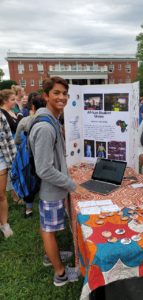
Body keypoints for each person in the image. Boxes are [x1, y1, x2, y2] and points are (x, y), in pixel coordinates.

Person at [29, 76, 85, 286]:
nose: (62, 97)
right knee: (48, 230)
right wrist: (72, 185)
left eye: (64, 93)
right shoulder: (45, 127)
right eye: (56, 93)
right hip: (50, 189)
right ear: (46, 96)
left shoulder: (52, 120)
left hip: (52, 187)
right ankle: (60, 274)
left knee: (48, 227)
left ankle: (50, 256)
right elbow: (44, 169)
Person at [15, 94, 46, 218]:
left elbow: (17, 139)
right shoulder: (49, 120)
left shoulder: (25, 120)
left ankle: (28, 209)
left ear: (32, 106)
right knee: (44, 179)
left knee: (28, 180)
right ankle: (45, 206)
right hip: (45, 155)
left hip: (29, 156)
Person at [0, 89, 23, 204]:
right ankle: (15, 196)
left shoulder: (11, 110)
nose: (15, 102)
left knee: (16, 170)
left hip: (16, 144)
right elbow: (15, 126)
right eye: (12, 99)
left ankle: (18, 193)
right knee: (11, 170)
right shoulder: (2, 113)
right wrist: (19, 115)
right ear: (4, 100)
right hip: (9, 145)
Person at [0, 110, 16, 238]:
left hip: (1, 158)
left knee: (1, 194)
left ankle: (4, 224)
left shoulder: (0, 115)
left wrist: (13, 160)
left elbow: (8, 137)